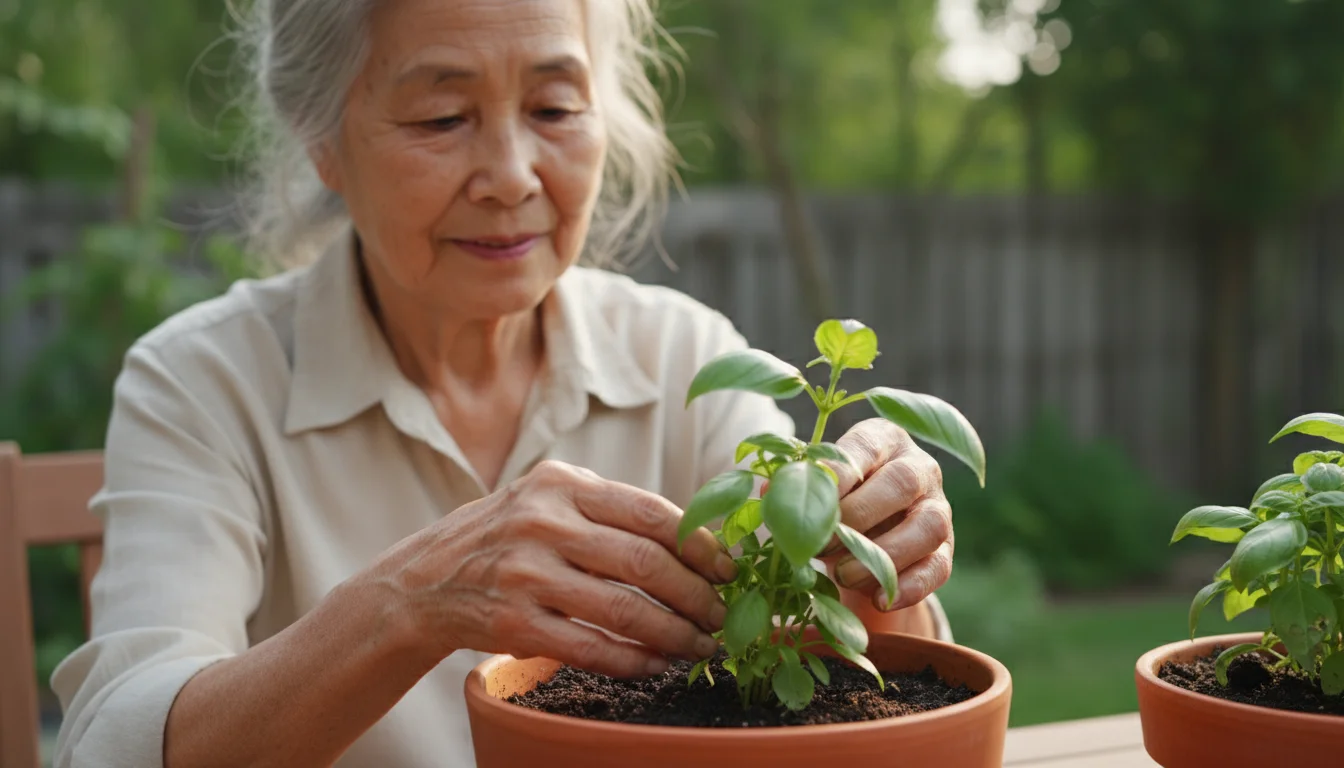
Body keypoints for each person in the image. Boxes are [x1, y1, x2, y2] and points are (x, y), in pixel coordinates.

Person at [50, 1, 956, 766]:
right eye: (442, 120)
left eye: (556, 109)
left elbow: (878, 686)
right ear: (321, 140)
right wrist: (408, 605)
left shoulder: (683, 356)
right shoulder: (205, 380)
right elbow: (117, 738)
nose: (512, 177)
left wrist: (874, 549)